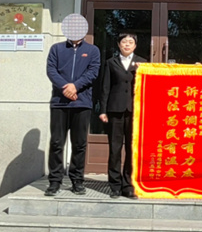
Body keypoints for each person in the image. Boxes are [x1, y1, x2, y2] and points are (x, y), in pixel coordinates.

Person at [45, 13, 100, 196]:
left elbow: (93, 73)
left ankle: (77, 180)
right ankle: (55, 181)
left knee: (79, 144)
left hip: (82, 103)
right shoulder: (56, 49)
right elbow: (51, 71)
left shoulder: (93, 50)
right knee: (56, 142)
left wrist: (75, 86)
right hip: (59, 103)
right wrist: (65, 87)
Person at [99, 33, 147, 199]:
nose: (127, 44)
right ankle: (114, 185)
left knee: (132, 149)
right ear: (119, 45)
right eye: (124, 42)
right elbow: (105, 87)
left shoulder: (142, 63)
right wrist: (103, 110)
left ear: (135, 46)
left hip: (135, 112)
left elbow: (149, 85)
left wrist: (142, 71)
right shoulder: (111, 62)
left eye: (130, 42)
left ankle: (128, 185)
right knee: (115, 148)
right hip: (115, 110)